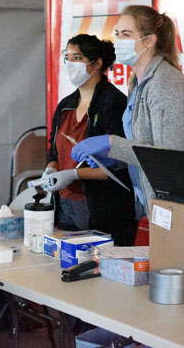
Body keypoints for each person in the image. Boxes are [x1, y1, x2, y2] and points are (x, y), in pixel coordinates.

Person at [72, 5, 184, 221]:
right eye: (118, 34)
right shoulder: (138, 82)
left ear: (149, 40)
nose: (119, 41)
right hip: (160, 198)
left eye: (127, 35)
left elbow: (168, 156)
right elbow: (143, 143)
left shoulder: (165, 84)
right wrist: (113, 158)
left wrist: (112, 143)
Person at [41, 34, 136, 245]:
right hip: (64, 204)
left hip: (101, 206)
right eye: (67, 57)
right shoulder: (65, 104)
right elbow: (53, 150)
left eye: (77, 57)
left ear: (96, 63)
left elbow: (119, 163)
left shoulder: (113, 102)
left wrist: (74, 173)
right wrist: (51, 169)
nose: (69, 64)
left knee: (96, 267)